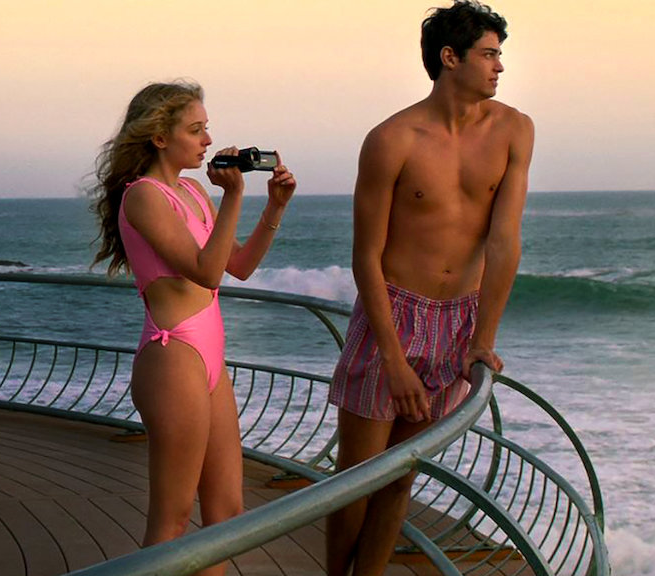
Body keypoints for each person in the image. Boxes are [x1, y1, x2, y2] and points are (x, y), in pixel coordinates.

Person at [324, 2, 534, 574]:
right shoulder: (392, 138)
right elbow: (365, 254)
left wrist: (481, 339)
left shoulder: (514, 129)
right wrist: (392, 359)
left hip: (458, 318)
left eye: (499, 55)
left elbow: (503, 242)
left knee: (400, 477)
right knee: (355, 482)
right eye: (489, 54)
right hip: (392, 314)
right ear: (451, 58)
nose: (499, 67)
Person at [89, 81, 296, 575]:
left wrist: (274, 206)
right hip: (173, 354)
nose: (207, 141)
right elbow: (204, 271)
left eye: (207, 129)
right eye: (195, 130)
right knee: (172, 520)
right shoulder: (144, 197)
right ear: (160, 137)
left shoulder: (193, 191)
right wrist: (235, 196)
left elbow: (236, 266)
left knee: (227, 513)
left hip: (209, 360)